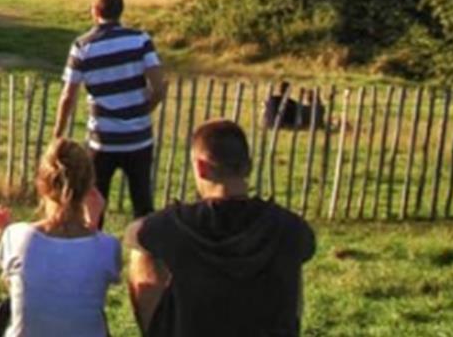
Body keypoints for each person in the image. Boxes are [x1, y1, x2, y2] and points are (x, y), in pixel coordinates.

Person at [124, 119, 316, 337]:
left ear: (201, 167)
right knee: (291, 251)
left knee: (142, 254)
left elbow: (137, 234)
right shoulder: (288, 226)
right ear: (249, 165)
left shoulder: (167, 228)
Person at [0, 140, 121, 337]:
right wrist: (93, 224)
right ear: (90, 186)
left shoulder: (16, 235)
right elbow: (81, 288)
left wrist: (5, 231)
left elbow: (18, 289)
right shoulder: (108, 247)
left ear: (41, 185)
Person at [54, 0, 167, 222]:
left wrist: (58, 134)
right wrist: (144, 110)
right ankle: (145, 254)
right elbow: (159, 86)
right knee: (143, 204)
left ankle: (94, 251)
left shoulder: (83, 46)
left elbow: (68, 95)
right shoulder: (140, 40)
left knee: (95, 203)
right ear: (121, 10)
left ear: (95, 11)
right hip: (139, 138)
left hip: (103, 140)